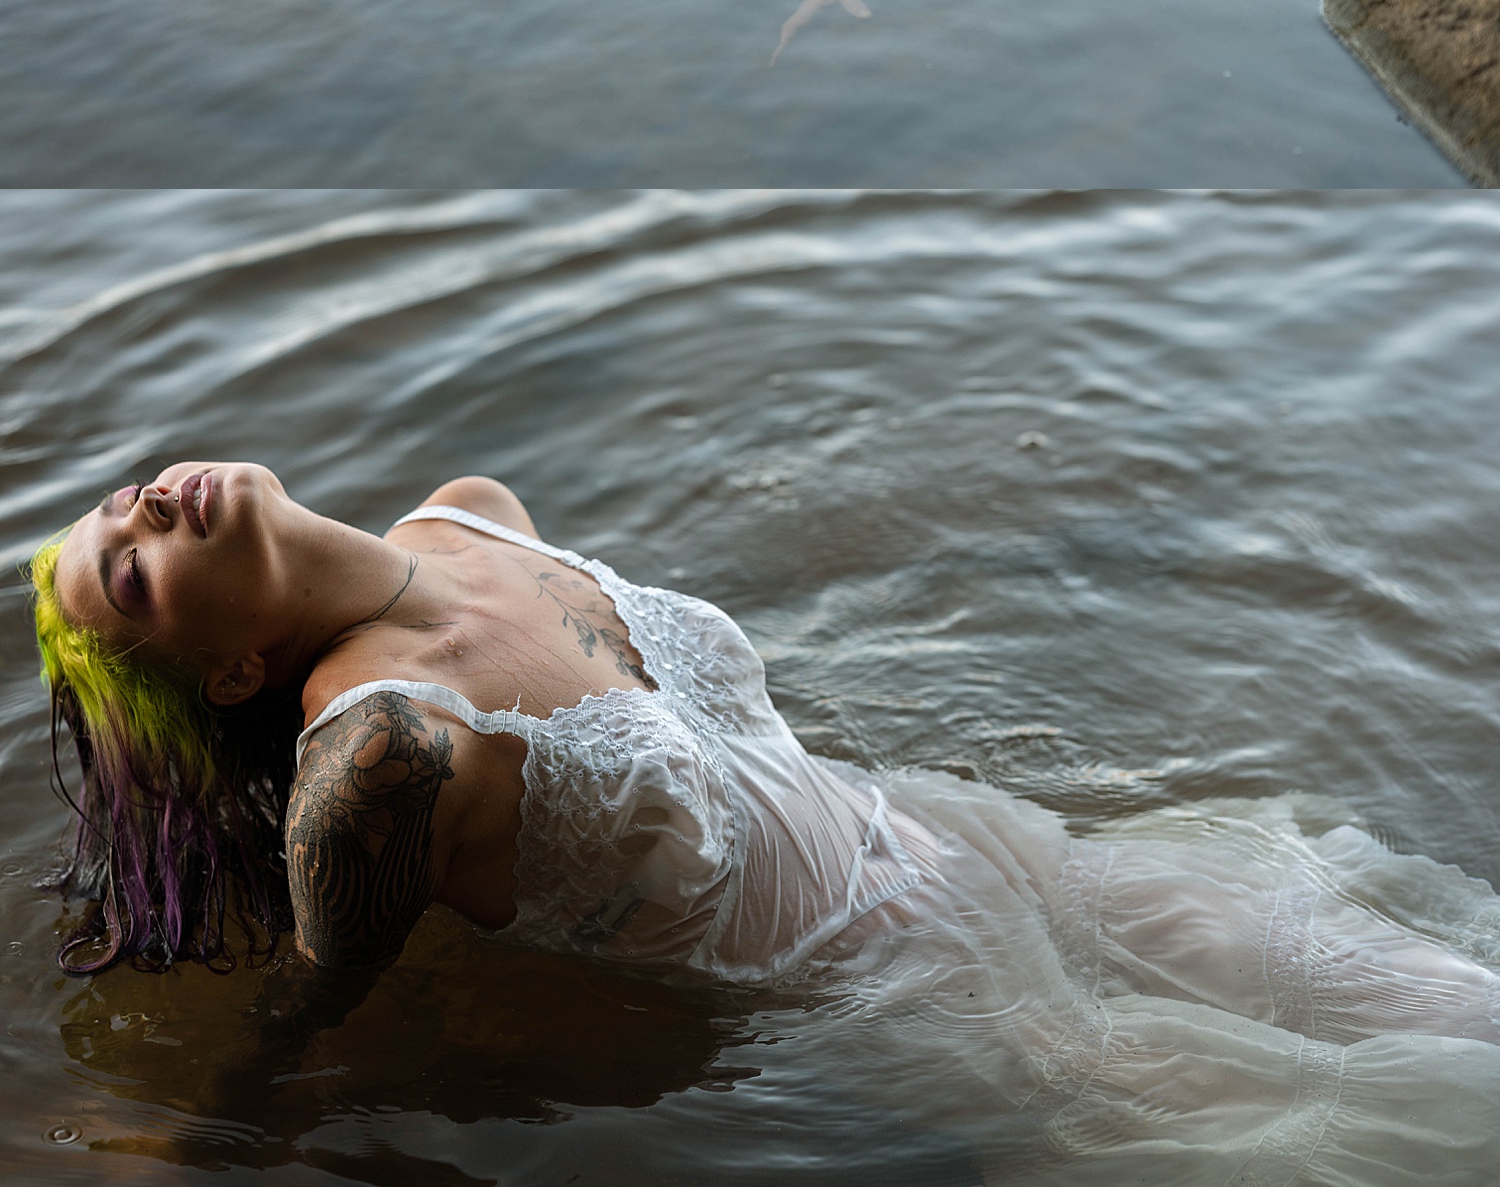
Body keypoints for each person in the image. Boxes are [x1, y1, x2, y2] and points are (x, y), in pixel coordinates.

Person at [31, 464, 1500, 1179]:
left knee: (1396, 984)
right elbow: (319, 995)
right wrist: (204, 1130)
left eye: (120, 508)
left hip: (952, 836)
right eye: (133, 571)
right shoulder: (378, 761)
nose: (147, 510)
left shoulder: (465, 515)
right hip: (876, 989)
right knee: (1288, 1135)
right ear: (228, 674)